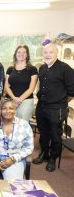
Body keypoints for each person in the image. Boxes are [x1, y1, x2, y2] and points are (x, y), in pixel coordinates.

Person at [33, 43, 74, 172]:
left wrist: (60, 102)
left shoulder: (65, 69)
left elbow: (72, 92)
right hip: (42, 106)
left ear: (57, 53)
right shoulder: (43, 68)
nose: (48, 55)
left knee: (56, 135)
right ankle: (44, 153)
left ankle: (52, 158)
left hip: (57, 109)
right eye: (45, 52)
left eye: (51, 52)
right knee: (43, 133)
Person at [5, 45, 38, 122]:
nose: (21, 54)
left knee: (22, 125)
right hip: (10, 100)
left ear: (27, 55)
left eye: (24, 52)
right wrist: (14, 98)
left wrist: (19, 100)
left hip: (26, 101)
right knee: (9, 124)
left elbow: (31, 88)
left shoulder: (32, 69)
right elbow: (7, 86)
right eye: (19, 52)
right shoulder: (10, 69)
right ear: (15, 54)